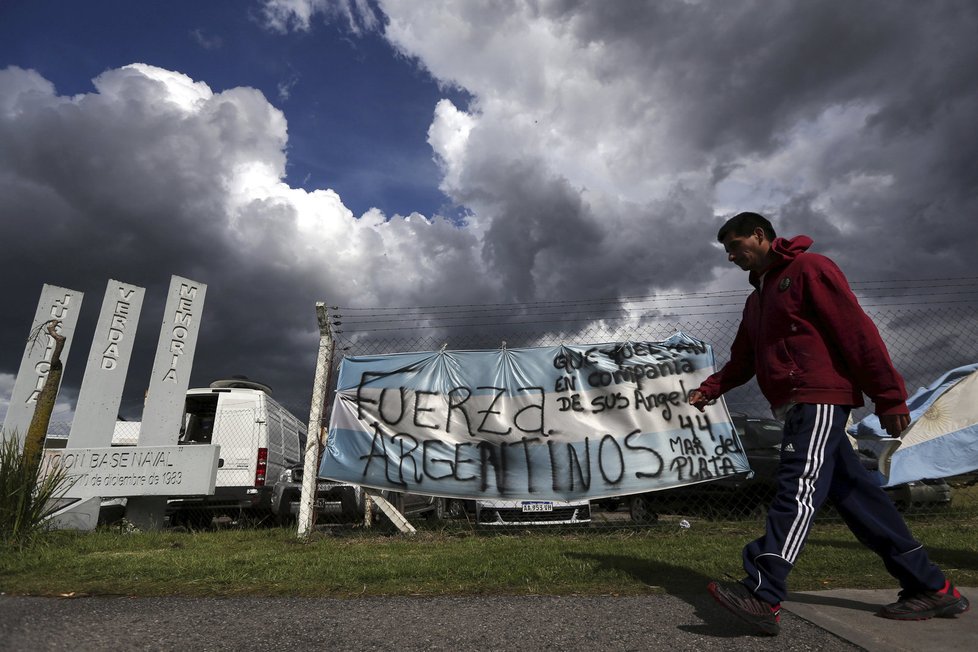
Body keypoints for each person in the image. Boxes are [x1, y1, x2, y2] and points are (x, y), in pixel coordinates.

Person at [688, 211, 969, 636]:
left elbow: (856, 330)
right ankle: (932, 585)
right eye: (726, 250)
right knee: (858, 497)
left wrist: (889, 394)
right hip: (794, 405)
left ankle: (763, 594)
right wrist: (708, 389)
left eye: (734, 245)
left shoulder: (809, 270)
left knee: (796, 488)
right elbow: (743, 361)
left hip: (817, 398)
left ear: (760, 236)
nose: (730, 256)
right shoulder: (756, 299)